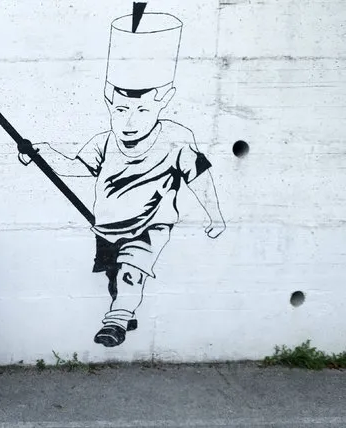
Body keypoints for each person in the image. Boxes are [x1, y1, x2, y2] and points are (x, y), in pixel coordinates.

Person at [18, 10, 225, 347]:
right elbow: (74, 165)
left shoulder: (175, 140)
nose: (130, 121)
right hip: (107, 227)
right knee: (117, 279)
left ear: (163, 102)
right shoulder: (105, 142)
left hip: (150, 225)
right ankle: (125, 311)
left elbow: (199, 176)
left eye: (142, 110)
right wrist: (39, 152)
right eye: (121, 110)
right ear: (108, 102)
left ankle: (114, 322)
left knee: (131, 271)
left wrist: (214, 215)